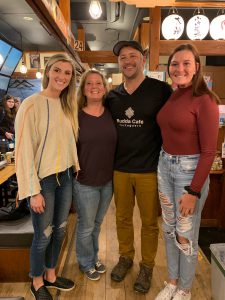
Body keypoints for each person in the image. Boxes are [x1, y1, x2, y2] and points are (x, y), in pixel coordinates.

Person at [105, 40, 172, 293]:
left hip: (149, 169)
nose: (128, 61)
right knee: (121, 218)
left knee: (149, 223)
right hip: (120, 168)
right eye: (123, 57)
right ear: (119, 63)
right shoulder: (112, 95)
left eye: (132, 56)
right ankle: (125, 257)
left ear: (142, 59)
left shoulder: (161, 90)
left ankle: (147, 266)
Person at [155, 44, 219, 300]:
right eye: (174, 63)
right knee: (169, 228)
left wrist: (193, 191)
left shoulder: (206, 100)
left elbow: (208, 152)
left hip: (188, 173)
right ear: (169, 67)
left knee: (185, 234)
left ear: (196, 68)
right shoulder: (173, 94)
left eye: (186, 63)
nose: (179, 68)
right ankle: (172, 281)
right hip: (164, 166)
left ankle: (185, 289)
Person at [15, 53, 80, 300]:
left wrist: (75, 167)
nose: (62, 76)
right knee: (43, 236)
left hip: (65, 177)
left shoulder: (68, 104)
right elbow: (23, 151)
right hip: (44, 181)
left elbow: (68, 142)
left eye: (67, 73)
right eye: (57, 70)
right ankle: (37, 281)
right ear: (48, 71)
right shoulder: (31, 104)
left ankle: (51, 276)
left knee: (60, 231)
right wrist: (33, 191)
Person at [73, 69, 117, 281]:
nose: (94, 86)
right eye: (89, 83)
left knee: (97, 223)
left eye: (98, 83)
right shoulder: (75, 115)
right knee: (86, 225)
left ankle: (94, 256)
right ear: (83, 88)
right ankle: (85, 261)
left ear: (104, 87)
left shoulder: (111, 113)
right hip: (85, 181)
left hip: (107, 181)